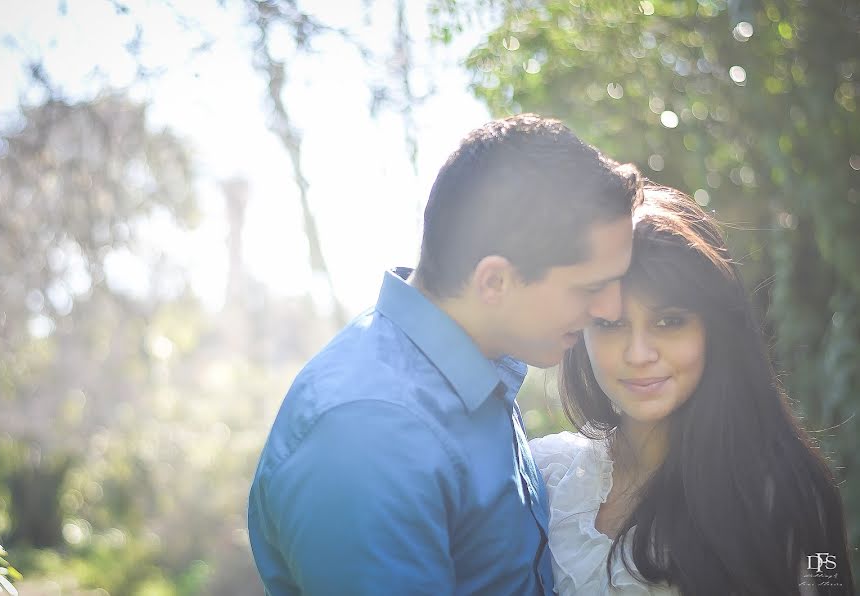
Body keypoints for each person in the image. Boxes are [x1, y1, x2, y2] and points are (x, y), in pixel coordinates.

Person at [247, 114, 643, 595]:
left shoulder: (473, 366)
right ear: (494, 281)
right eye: (591, 287)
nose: (609, 308)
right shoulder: (369, 435)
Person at [530, 184, 854, 595]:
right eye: (611, 324)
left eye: (669, 321)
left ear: (712, 328)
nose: (639, 353)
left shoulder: (783, 494)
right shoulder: (547, 476)